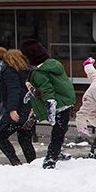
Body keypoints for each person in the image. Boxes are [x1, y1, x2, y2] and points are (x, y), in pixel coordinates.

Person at [20, 39, 76, 170]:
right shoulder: (53, 64)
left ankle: (50, 159)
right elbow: (54, 85)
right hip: (66, 102)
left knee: (57, 133)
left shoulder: (39, 73)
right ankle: (57, 152)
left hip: (58, 105)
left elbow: (47, 90)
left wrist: (50, 107)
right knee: (61, 130)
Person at [0, 47, 35, 166]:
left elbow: (14, 90)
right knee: (25, 139)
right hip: (29, 109)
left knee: (0, 136)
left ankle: (15, 162)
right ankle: (33, 164)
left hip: (18, 110)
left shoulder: (9, 71)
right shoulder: (24, 70)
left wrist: (12, 110)